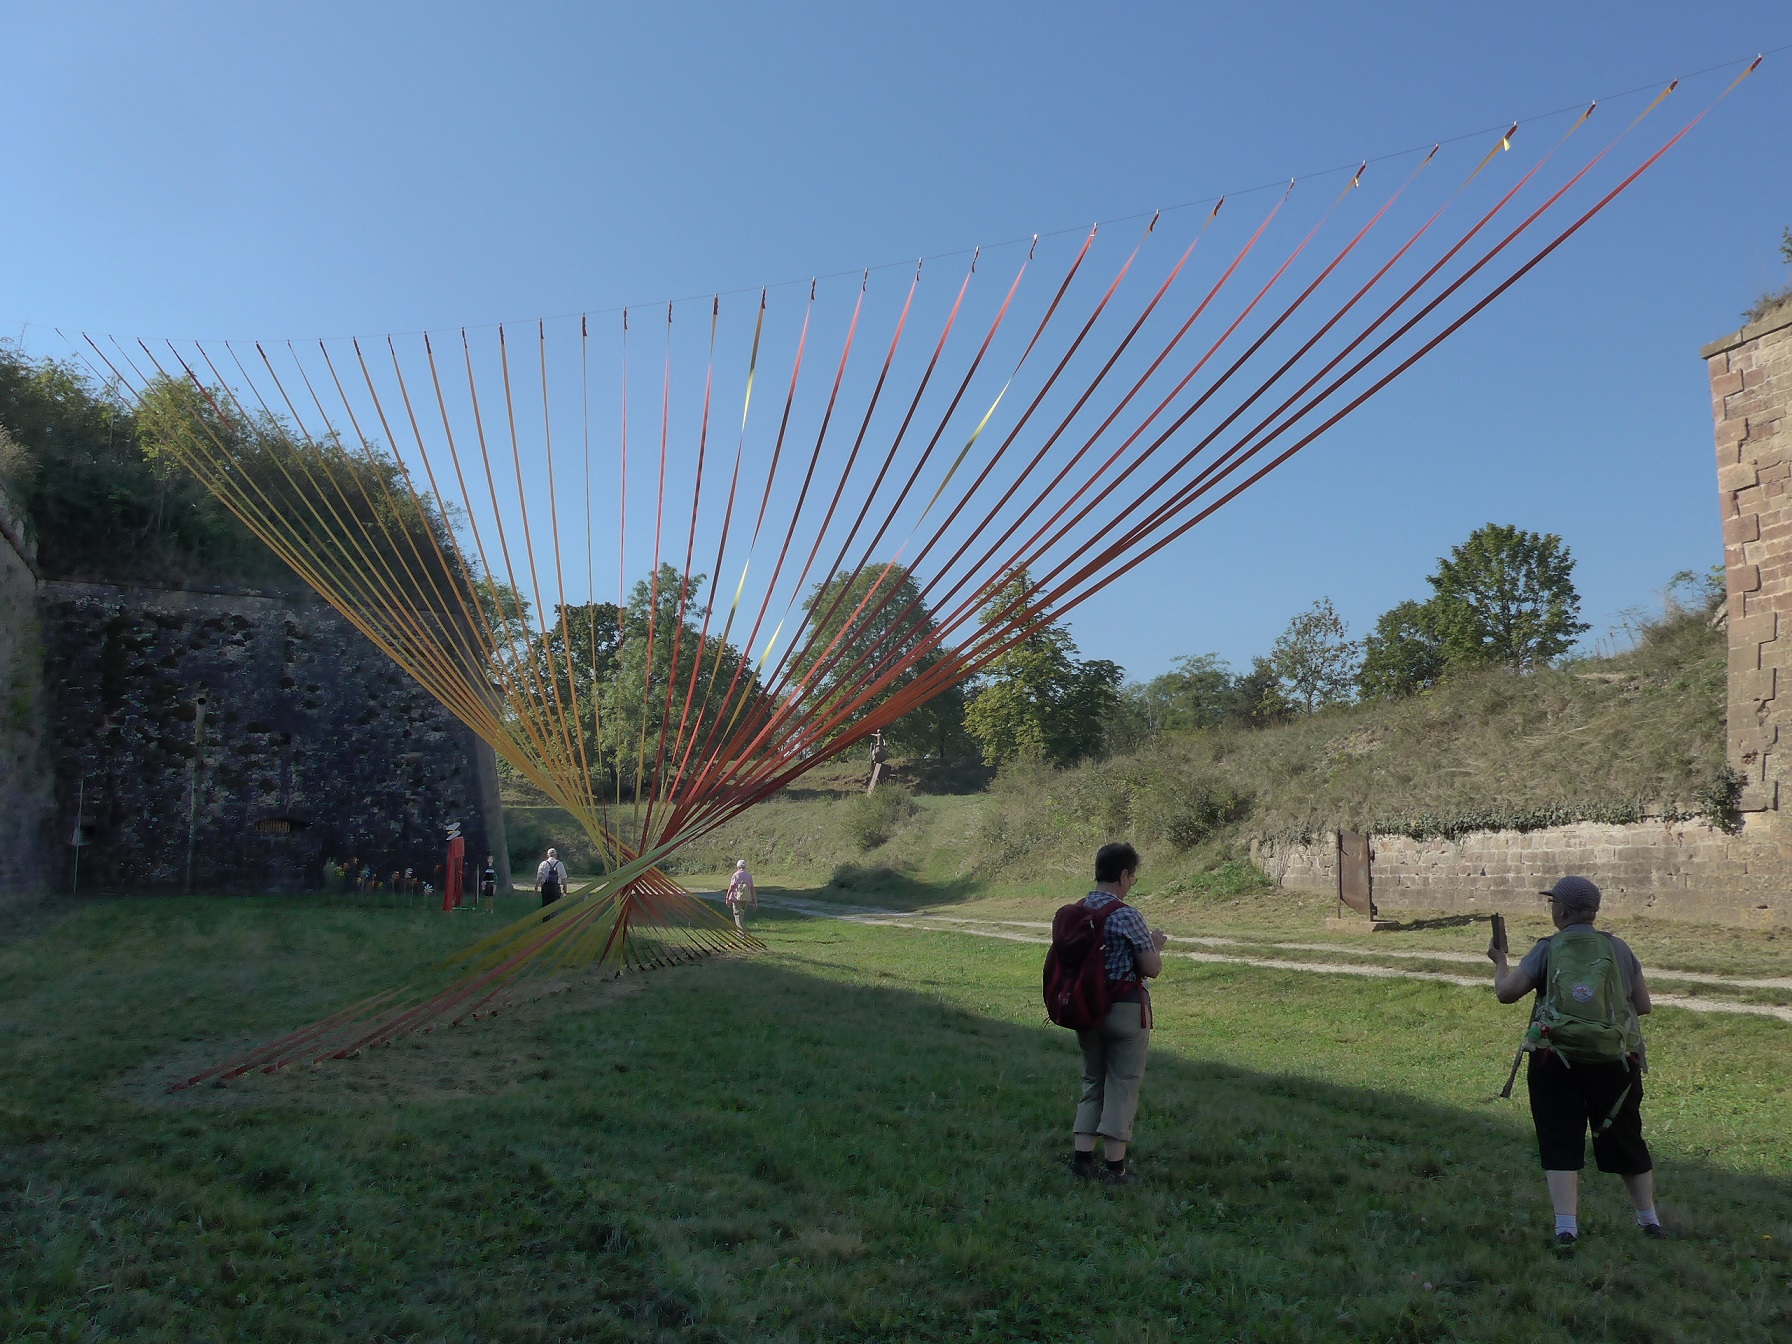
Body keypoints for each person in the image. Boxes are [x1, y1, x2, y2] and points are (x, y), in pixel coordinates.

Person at [1490, 874, 1662, 1248]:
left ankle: (1566, 1227)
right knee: (1625, 1136)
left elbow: (1506, 993)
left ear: (1564, 911)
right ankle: (1649, 1219)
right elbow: (1643, 1005)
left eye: (1553, 904)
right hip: (1616, 1061)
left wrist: (1500, 961)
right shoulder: (1618, 947)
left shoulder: (1548, 948)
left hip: (1556, 1058)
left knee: (1559, 1135)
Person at [1070, 841, 1168, 1186]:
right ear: (1124, 875)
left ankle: (1082, 1159)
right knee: (1122, 1084)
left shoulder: (1077, 911)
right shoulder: (1127, 915)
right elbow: (1151, 968)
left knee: (1093, 1081)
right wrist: (1155, 945)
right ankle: (1115, 1169)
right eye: (1133, 878)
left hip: (1085, 1008)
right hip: (1124, 1009)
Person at [725, 859, 757, 932]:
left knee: (737, 915)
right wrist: (755, 901)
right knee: (741, 915)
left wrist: (727, 897)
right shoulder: (748, 875)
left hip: (736, 898)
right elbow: (752, 888)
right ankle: (742, 930)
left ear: (737, 866)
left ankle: (741, 932)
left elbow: (731, 887)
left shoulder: (735, 875)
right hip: (745, 898)